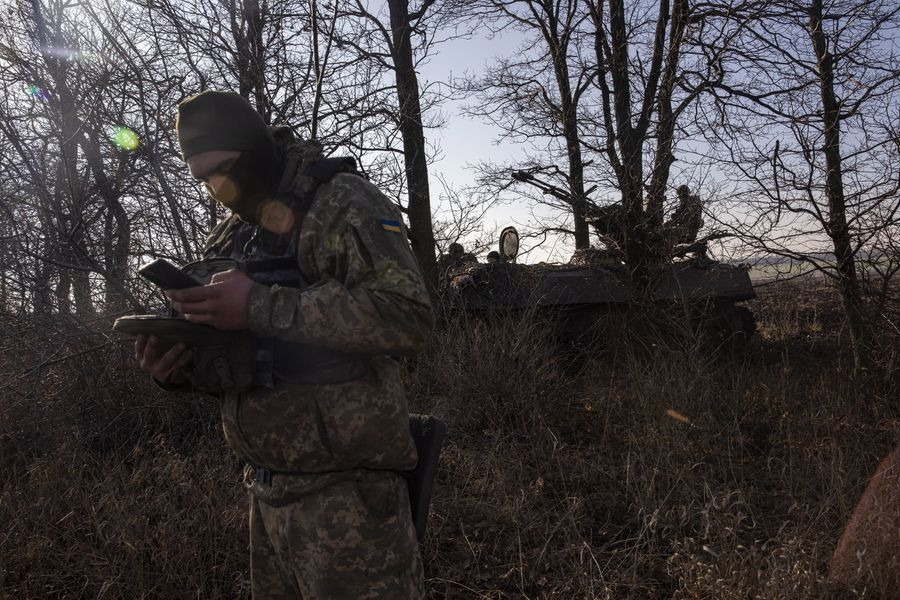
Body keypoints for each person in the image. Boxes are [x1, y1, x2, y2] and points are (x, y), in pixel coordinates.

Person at [134, 91, 433, 599]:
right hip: (266, 494)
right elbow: (244, 353)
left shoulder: (341, 202)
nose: (219, 189)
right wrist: (180, 367)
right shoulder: (232, 234)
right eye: (204, 178)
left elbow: (408, 315)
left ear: (256, 148)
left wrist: (260, 306)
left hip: (348, 499)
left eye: (225, 168)